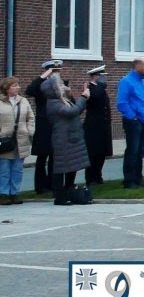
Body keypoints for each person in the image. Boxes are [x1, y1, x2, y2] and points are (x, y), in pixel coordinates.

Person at [44, 73, 91, 203]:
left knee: (73, 164)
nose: (63, 86)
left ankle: (69, 190)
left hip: (72, 136)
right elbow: (71, 112)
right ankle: (59, 196)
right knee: (61, 167)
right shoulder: (53, 103)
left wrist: (72, 96)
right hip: (62, 138)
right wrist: (83, 97)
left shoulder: (63, 100)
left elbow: (77, 109)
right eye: (60, 85)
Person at [116, 58, 144, 189]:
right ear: (137, 66)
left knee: (140, 151)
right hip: (134, 121)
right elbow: (122, 103)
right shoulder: (126, 82)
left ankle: (138, 178)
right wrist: (133, 117)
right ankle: (129, 179)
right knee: (133, 150)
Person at [25, 60, 60, 194]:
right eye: (53, 71)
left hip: (56, 123)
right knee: (42, 157)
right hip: (44, 125)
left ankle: (52, 184)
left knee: (54, 156)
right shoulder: (41, 87)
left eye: (57, 71)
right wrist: (43, 76)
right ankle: (40, 186)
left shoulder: (59, 86)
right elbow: (29, 90)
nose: (55, 74)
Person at [0, 77, 35, 204]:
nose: (17, 87)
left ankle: (14, 193)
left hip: (21, 139)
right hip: (4, 140)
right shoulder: (1, 101)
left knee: (17, 168)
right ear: (6, 88)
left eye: (18, 85)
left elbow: (30, 118)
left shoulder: (23, 101)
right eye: (14, 85)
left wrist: (29, 131)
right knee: (4, 169)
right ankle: (4, 193)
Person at [82, 66, 113, 185]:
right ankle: (90, 178)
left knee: (101, 153)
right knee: (93, 153)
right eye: (102, 76)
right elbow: (94, 97)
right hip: (93, 126)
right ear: (96, 76)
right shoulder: (90, 88)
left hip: (103, 125)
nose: (104, 79)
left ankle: (98, 175)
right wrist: (100, 85)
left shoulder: (100, 89)